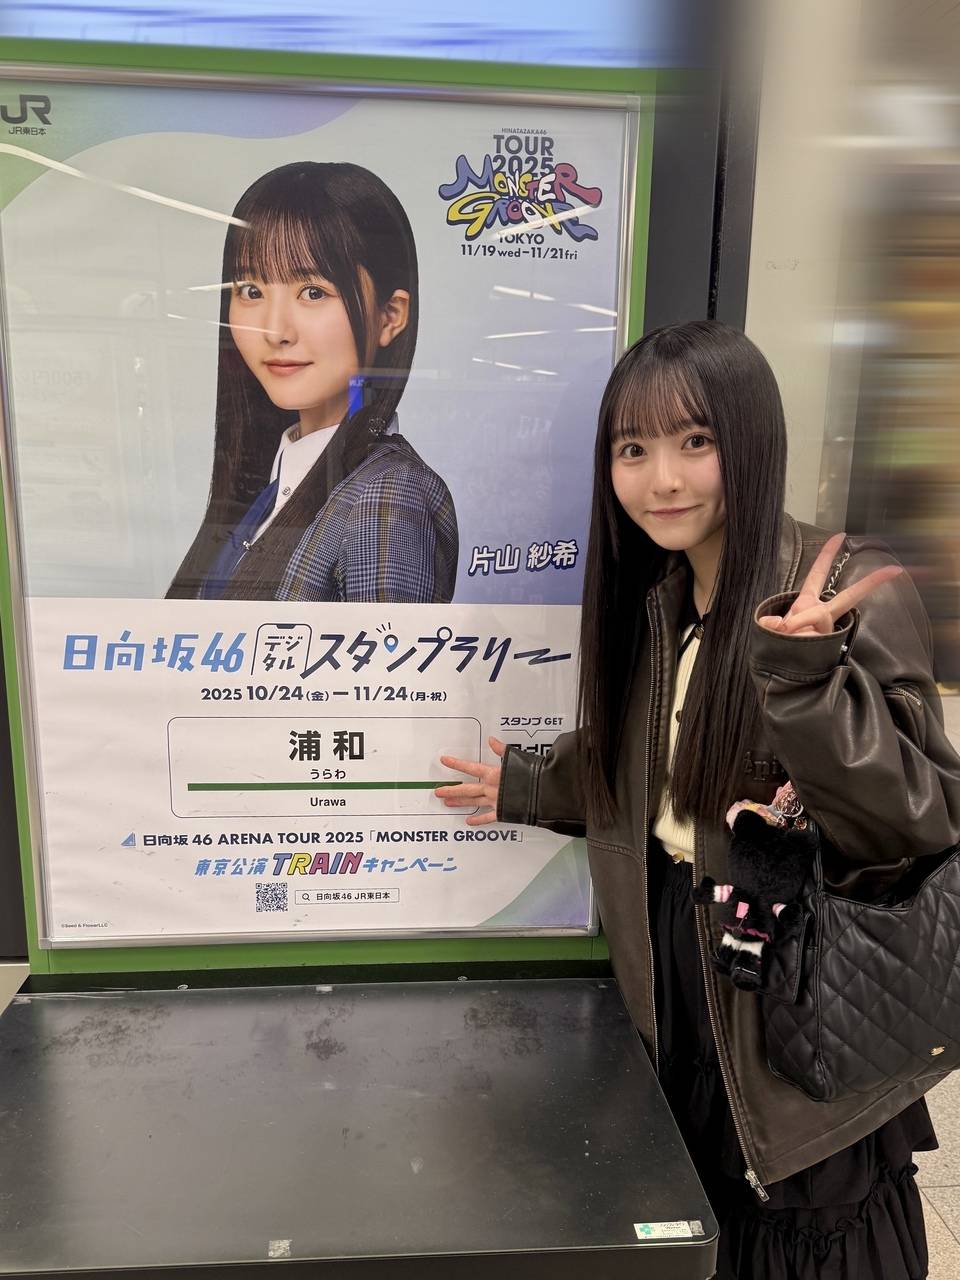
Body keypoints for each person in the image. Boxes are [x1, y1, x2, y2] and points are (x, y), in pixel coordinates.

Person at [436, 320, 960, 1278]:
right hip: (680, 946)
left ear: (750, 441)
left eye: (695, 441)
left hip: (795, 972)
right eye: (633, 449)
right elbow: (658, 762)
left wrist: (805, 681)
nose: (663, 480)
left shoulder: (836, 591)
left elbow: (914, 820)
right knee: (704, 1210)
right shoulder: (664, 597)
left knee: (799, 1217)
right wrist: (530, 782)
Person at [167, 161, 458, 602]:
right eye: (251, 291)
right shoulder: (270, 486)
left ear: (390, 316)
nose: (275, 331)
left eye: (313, 292)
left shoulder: (386, 496)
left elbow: (382, 651)